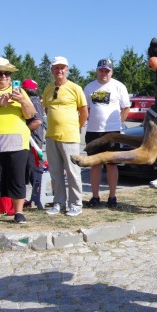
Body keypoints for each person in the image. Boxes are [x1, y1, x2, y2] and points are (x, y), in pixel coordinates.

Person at [0, 58, 37, 226]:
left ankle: (18, 212)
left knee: (17, 178)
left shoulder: (19, 91)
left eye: (7, 73)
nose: (4, 77)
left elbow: (30, 114)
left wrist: (22, 100)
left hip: (18, 143)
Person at [42, 56, 88, 217]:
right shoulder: (48, 88)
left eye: (62, 67)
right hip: (51, 136)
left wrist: (76, 127)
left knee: (73, 172)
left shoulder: (75, 88)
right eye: (56, 68)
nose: (59, 70)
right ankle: (59, 202)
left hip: (70, 136)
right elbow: (47, 110)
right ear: (52, 70)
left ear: (67, 69)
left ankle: (76, 204)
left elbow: (84, 111)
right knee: (55, 172)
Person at [83, 58, 131, 209]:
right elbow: (85, 109)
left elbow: (126, 107)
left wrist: (118, 123)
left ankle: (112, 196)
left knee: (111, 165)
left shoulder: (118, 86)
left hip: (112, 132)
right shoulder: (89, 87)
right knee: (95, 165)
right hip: (93, 132)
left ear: (111, 72)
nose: (104, 73)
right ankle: (95, 196)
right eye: (101, 70)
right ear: (97, 70)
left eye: (107, 71)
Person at [21, 78, 45, 207]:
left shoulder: (34, 102)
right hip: (31, 140)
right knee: (30, 171)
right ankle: (32, 199)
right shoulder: (32, 101)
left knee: (34, 171)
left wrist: (22, 130)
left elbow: (38, 121)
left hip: (33, 141)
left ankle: (37, 199)